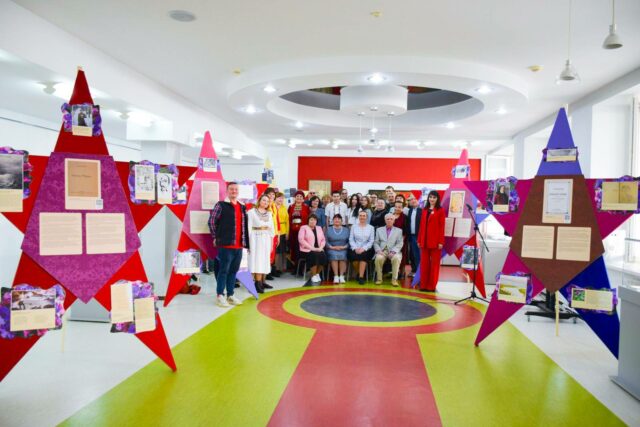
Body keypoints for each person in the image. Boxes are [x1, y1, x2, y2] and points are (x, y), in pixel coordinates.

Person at [209, 181, 249, 308]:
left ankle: (230, 294)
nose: (234, 191)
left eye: (236, 189)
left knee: (233, 271)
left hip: (239, 246)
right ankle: (220, 295)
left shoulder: (242, 207)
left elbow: (244, 226)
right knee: (223, 271)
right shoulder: (221, 205)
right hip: (225, 245)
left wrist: (246, 244)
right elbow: (212, 221)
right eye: (231, 189)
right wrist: (215, 237)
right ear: (227, 191)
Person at [418, 190, 445, 292]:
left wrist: (441, 242)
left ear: (437, 199)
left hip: (435, 242)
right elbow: (421, 226)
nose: (432, 199)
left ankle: (432, 286)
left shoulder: (440, 210)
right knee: (424, 264)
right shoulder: (424, 210)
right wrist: (419, 240)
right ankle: (423, 285)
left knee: (434, 265)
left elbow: (442, 227)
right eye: (430, 197)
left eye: (434, 197)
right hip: (424, 241)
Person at [247, 195, 275, 293]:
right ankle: (254, 284)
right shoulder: (251, 212)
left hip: (266, 239)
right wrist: (248, 243)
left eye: (267, 201)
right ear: (259, 201)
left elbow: (272, 229)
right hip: (255, 239)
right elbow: (249, 228)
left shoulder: (269, 214)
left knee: (263, 261)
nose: (265, 202)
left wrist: (271, 243)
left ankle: (259, 282)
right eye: (264, 200)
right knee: (255, 261)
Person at [374, 214, 404, 286]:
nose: (389, 220)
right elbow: (376, 242)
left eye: (391, 219)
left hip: (394, 251)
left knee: (396, 258)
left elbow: (400, 243)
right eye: (387, 219)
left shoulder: (399, 231)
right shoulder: (379, 230)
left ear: (394, 221)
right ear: (385, 220)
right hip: (382, 251)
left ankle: (394, 280)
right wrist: (378, 251)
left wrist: (393, 252)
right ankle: (379, 279)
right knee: (378, 258)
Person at [298, 214, 328, 286]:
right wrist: (312, 248)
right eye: (311, 219)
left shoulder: (319, 228)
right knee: (314, 255)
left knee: (323, 256)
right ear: (308, 220)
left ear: (316, 221)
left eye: (314, 220)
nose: (313, 221)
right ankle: (313, 275)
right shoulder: (303, 228)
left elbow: (323, 239)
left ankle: (317, 274)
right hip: (306, 250)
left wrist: (321, 248)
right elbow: (301, 240)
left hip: (318, 249)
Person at [348, 210, 375, 285]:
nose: (362, 217)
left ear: (366, 217)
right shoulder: (353, 227)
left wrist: (364, 248)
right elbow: (351, 239)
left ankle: (361, 277)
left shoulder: (371, 228)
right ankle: (360, 272)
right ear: (358, 217)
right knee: (354, 257)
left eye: (364, 216)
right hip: (355, 247)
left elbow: (371, 241)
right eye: (360, 215)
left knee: (363, 256)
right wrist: (355, 248)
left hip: (367, 249)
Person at [288, 191, 310, 267]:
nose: (299, 198)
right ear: (295, 198)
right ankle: (295, 267)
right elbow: (289, 219)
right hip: (293, 231)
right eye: (297, 196)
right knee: (294, 249)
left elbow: (308, 219)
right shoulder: (291, 207)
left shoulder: (306, 207)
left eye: (301, 197)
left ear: (303, 198)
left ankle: (302, 267)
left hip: (303, 232)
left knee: (302, 248)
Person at [326, 213, 349, 284]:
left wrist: (344, 247)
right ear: (332, 221)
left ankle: (341, 276)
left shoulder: (346, 230)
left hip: (343, 248)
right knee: (334, 255)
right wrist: (332, 247)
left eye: (339, 219)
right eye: (335, 219)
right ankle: (336, 276)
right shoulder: (328, 229)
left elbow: (350, 241)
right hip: (331, 248)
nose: (337, 220)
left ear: (342, 221)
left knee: (343, 255)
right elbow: (325, 241)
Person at [264, 187, 281, 279]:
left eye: (273, 194)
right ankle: (265, 273)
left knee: (272, 253)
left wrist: (278, 235)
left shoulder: (274, 206)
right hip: (266, 234)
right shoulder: (265, 205)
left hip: (274, 233)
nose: (271, 196)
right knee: (266, 253)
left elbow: (277, 221)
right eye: (269, 194)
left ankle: (269, 271)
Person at [404, 195, 422, 277]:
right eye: (411, 199)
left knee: (418, 254)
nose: (413, 201)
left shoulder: (422, 211)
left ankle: (419, 272)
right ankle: (415, 270)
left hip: (418, 236)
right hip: (411, 236)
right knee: (413, 254)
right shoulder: (409, 210)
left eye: (415, 199)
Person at [275, 192, 289, 274]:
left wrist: (287, 232)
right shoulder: (272, 207)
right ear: (275, 198)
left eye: (282, 198)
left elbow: (287, 221)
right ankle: (274, 268)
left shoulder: (284, 208)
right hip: (275, 231)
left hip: (283, 231)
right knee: (276, 251)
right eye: (279, 197)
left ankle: (280, 268)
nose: (280, 199)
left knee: (281, 251)